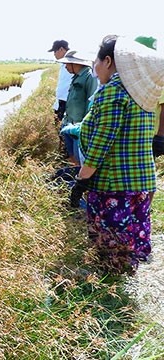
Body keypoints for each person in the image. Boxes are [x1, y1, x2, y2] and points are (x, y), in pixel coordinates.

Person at [73, 35, 163, 273]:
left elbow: (101, 143)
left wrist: (82, 179)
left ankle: (111, 288)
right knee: (129, 233)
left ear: (109, 61)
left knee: (112, 238)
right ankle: (123, 275)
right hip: (141, 180)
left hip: (115, 183)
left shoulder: (113, 92)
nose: (94, 66)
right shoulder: (141, 94)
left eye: (97, 60)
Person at [57, 50, 99, 165]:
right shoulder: (76, 77)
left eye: (67, 63)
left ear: (77, 64)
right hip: (69, 124)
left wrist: (84, 127)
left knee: (80, 159)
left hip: (79, 128)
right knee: (72, 156)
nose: (65, 67)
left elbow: (91, 104)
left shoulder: (89, 77)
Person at [48, 40, 73, 123]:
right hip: (61, 102)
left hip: (67, 102)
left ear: (61, 49)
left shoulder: (72, 62)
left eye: (55, 51)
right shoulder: (63, 63)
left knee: (63, 130)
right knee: (58, 126)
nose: (54, 54)